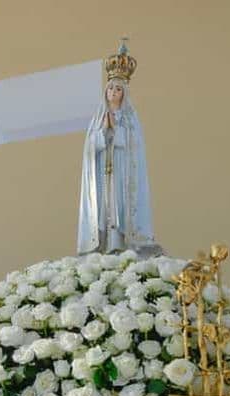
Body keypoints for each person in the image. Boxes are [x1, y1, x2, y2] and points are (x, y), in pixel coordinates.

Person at [77, 39, 163, 257]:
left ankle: (119, 243)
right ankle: (103, 242)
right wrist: (102, 132)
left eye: (118, 89)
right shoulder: (98, 118)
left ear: (124, 93)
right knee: (104, 206)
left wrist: (117, 130)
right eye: (110, 89)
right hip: (102, 172)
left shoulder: (130, 119)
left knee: (119, 205)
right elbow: (89, 149)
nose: (113, 92)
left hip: (122, 172)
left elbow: (134, 147)